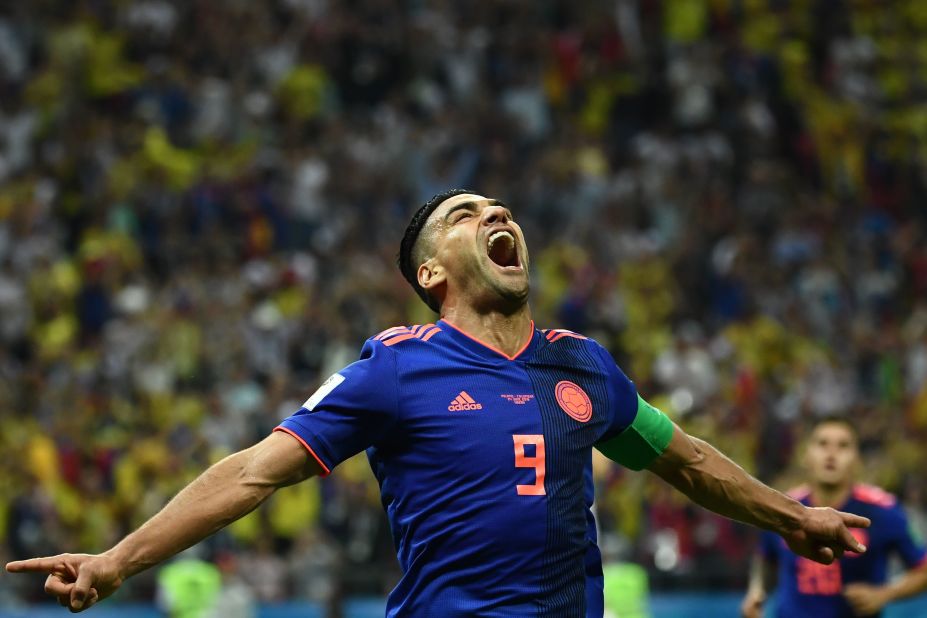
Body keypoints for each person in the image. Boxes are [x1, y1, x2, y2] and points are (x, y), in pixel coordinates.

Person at [7, 190, 870, 616]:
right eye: (465, 215)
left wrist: (788, 520)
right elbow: (250, 475)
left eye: (499, 209)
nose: (496, 215)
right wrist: (119, 560)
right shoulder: (392, 369)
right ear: (430, 273)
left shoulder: (586, 367)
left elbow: (680, 456)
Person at [741, 416, 927, 618]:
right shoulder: (784, 508)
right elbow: (765, 558)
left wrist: (884, 594)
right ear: (806, 455)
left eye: (843, 446)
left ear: (857, 459)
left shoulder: (883, 511)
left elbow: (923, 569)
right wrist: (756, 592)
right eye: (822, 444)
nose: (831, 453)